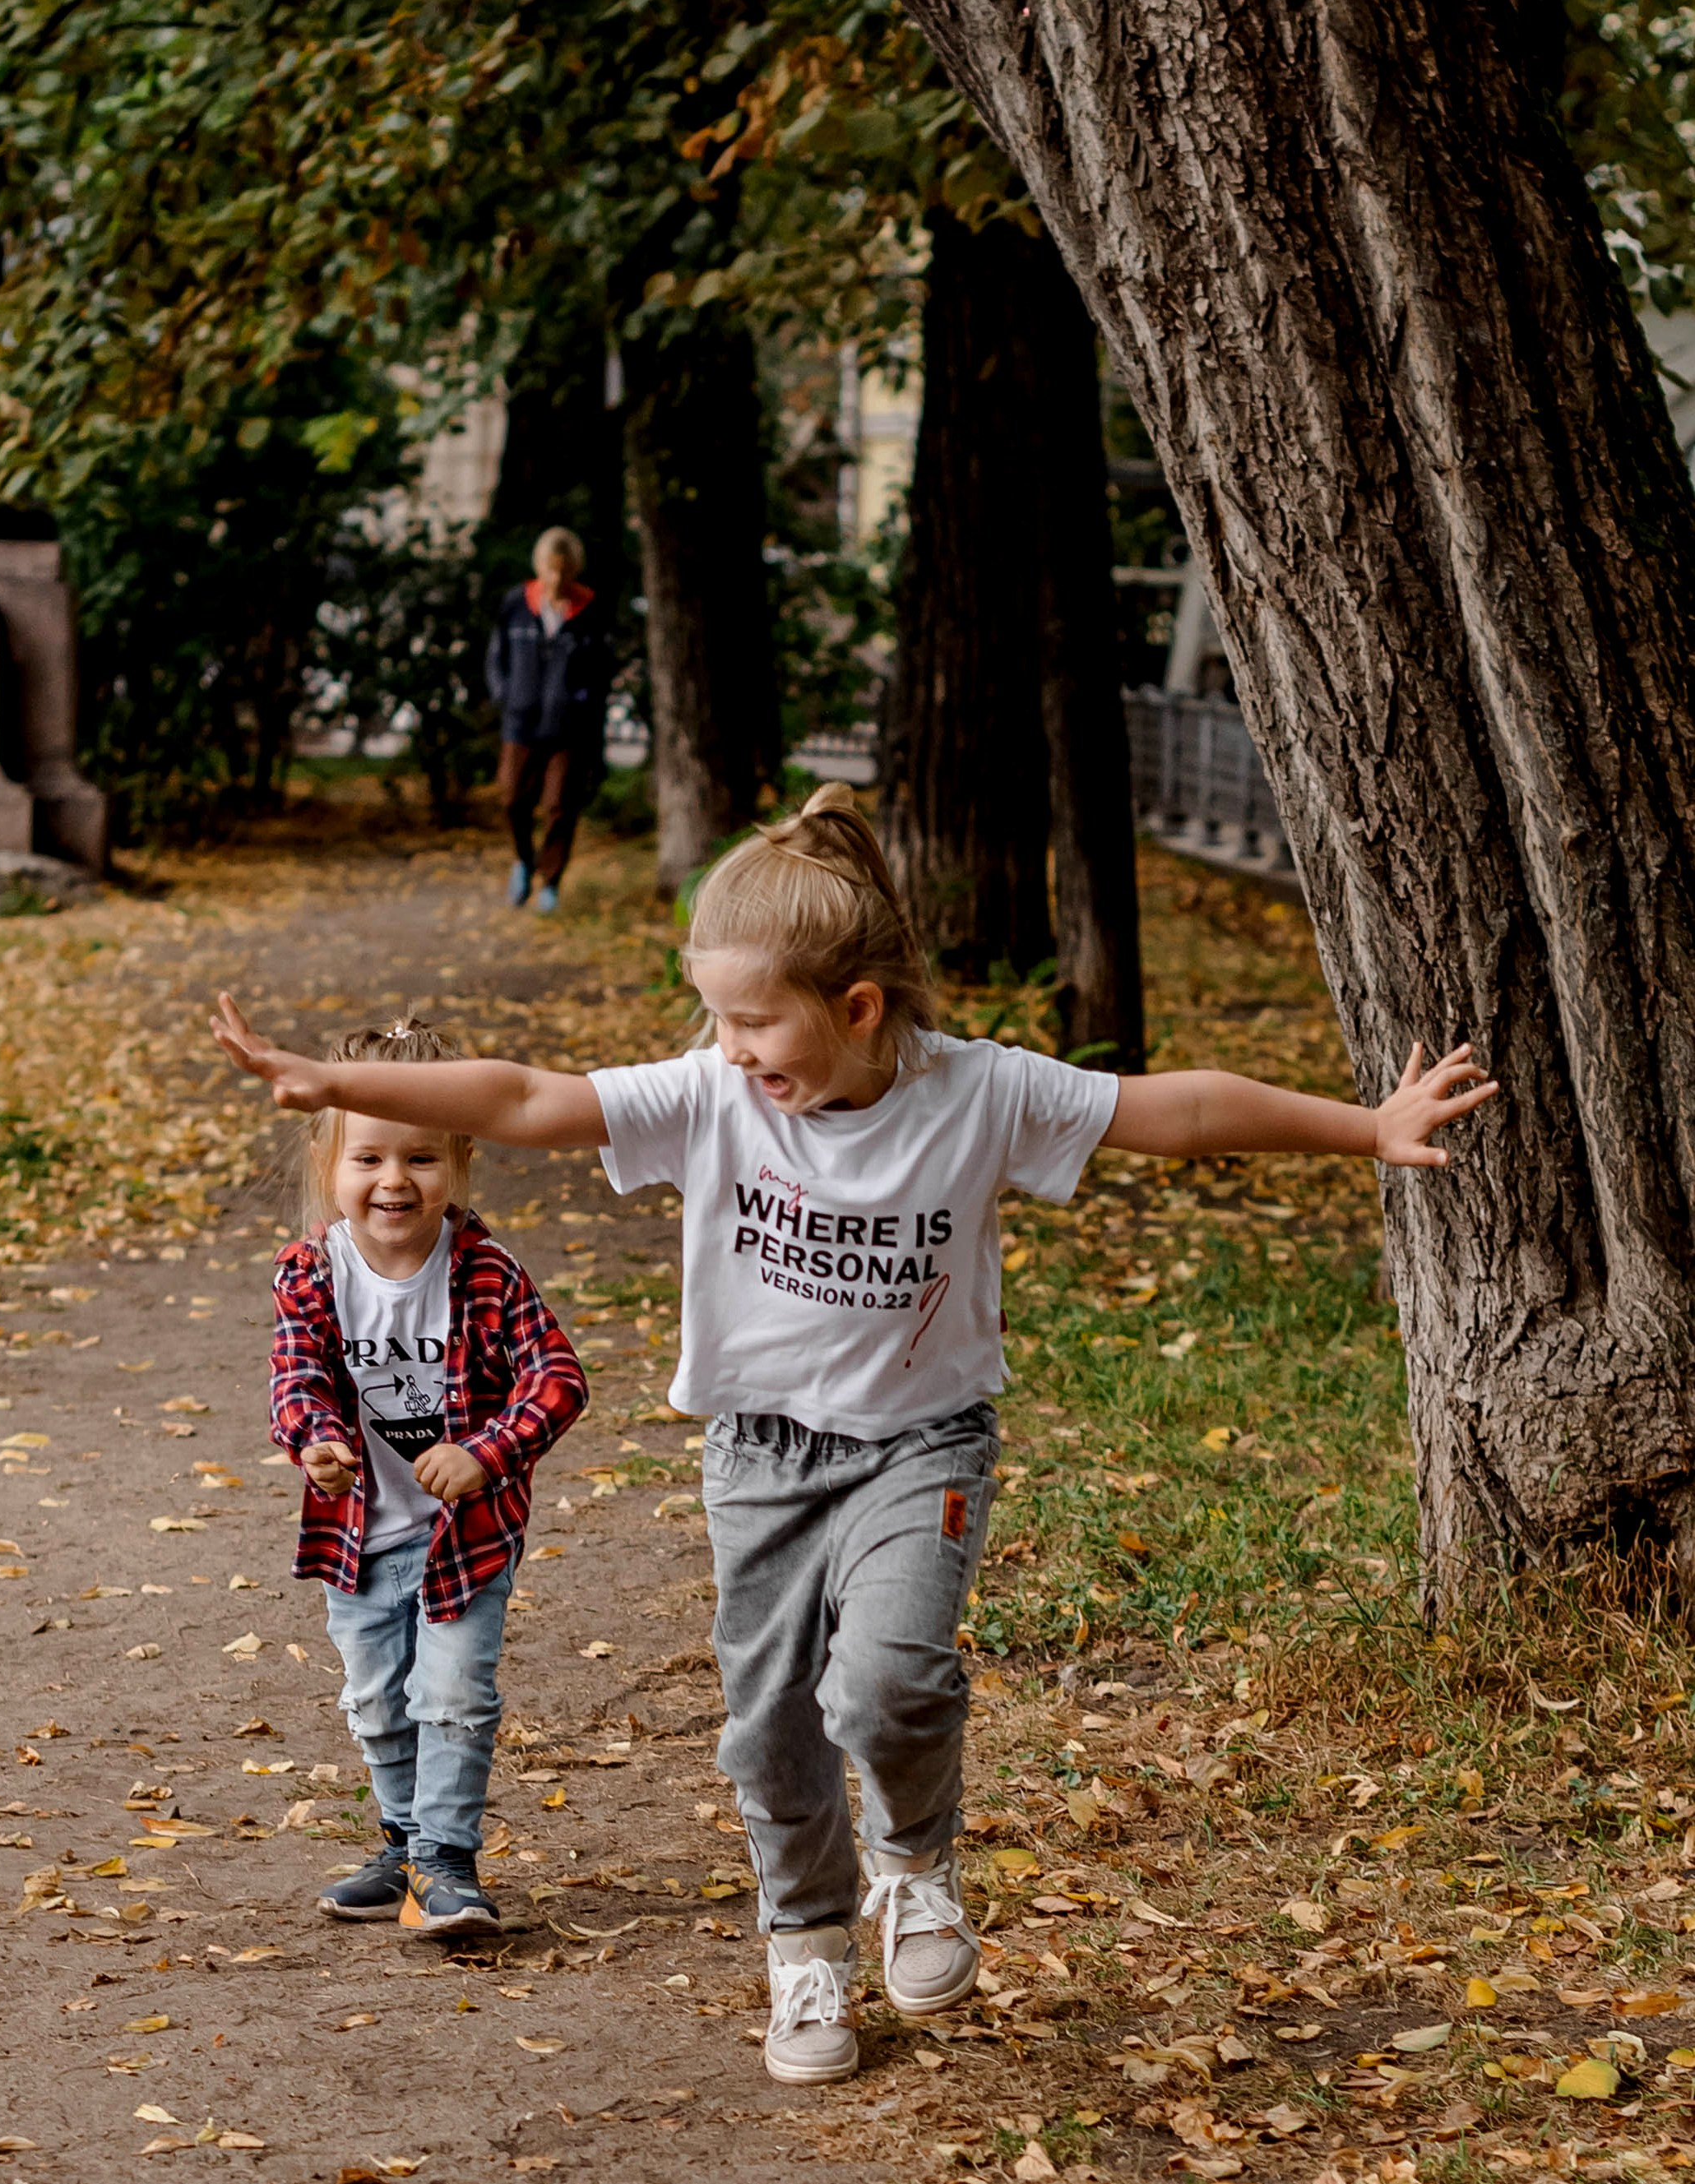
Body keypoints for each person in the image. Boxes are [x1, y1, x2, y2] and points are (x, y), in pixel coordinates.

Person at [214, 786, 1497, 2073]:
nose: (726, 1045)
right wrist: (342, 1079)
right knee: (769, 1726)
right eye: (717, 1016)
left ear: (860, 1007)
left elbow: (1182, 1111)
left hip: (920, 1442)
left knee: (886, 1680)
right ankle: (809, 1950)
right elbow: (527, 1094)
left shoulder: (979, 1092)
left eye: (753, 1019)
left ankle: (916, 1859)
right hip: (760, 1459)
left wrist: (1366, 1130)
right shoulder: (714, 1095)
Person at [268, 1016, 586, 1938]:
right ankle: (403, 1846)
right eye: (368, 1159)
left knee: (451, 1695)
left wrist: (487, 1453)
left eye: (420, 1158)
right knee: (376, 1698)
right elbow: (298, 1378)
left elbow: (559, 1378)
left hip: (465, 1540)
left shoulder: (484, 1271)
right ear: (332, 1164)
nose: (394, 1181)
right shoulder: (311, 1273)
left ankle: (448, 1865)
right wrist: (317, 1442)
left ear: (460, 1161)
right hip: (359, 1532)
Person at [484, 525, 610, 913]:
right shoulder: (516, 605)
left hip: (568, 730)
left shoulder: (589, 610)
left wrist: (583, 703)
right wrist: (505, 695)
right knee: (511, 798)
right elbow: (496, 656)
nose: (557, 579)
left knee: (559, 807)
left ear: (574, 570)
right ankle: (523, 860)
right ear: (540, 567)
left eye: (565, 570)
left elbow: (601, 669)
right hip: (521, 723)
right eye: (551, 570)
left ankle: (550, 881)